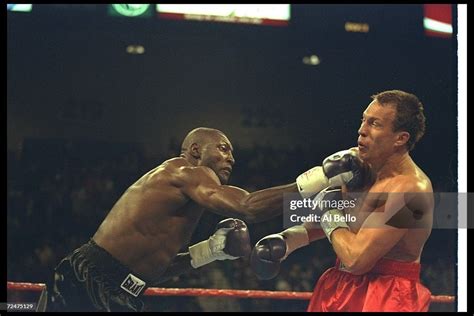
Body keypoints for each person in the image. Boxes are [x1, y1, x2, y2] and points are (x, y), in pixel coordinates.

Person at [49, 127, 346, 312]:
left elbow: (146, 271)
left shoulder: (187, 196)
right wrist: (320, 177)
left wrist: (210, 251)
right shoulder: (185, 171)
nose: (231, 158)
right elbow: (247, 207)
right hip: (87, 281)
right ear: (194, 150)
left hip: (121, 289)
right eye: (223, 148)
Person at [250, 90, 434, 312]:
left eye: (374, 124)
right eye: (363, 120)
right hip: (339, 286)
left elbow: (356, 260)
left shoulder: (413, 192)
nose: (361, 130)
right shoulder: (358, 166)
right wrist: (287, 241)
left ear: (400, 138)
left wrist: (329, 211)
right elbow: (343, 224)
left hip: (388, 294)